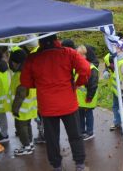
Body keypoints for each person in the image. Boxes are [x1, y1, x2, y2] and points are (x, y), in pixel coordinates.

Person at [17, 34, 90, 171]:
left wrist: (39, 84)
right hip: (68, 103)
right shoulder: (68, 53)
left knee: (52, 139)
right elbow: (85, 69)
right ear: (57, 40)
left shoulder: (33, 58)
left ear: (40, 42)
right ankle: (80, 165)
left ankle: (57, 166)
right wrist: (77, 83)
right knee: (75, 135)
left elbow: (25, 81)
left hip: (47, 106)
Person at [9, 49, 37, 156]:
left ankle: (26, 147)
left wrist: (15, 109)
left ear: (17, 63)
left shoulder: (20, 74)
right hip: (29, 106)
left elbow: (20, 93)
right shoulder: (29, 71)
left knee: (21, 127)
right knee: (27, 125)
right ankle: (29, 144)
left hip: (21, 107)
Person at [76, 45, 100, 141]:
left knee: (88, 114)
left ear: (85, 56)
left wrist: (89, 97)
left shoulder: (92, 68)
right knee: (80, 115)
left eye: (80, 55)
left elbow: (93, 84)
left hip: (87, 97)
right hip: (80, 98)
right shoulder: (78, 66)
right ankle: (82, 131)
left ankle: (90, 132)